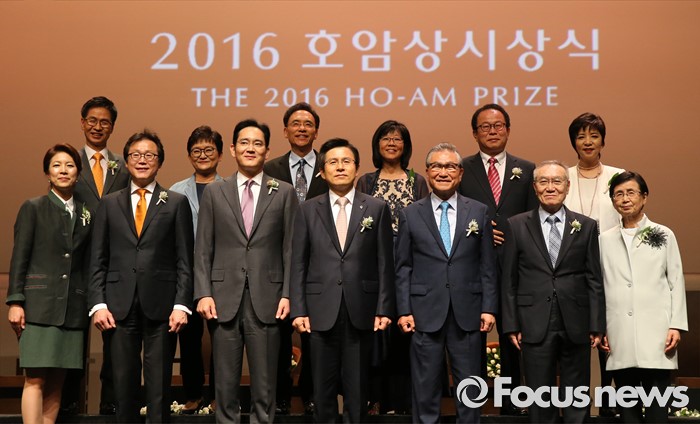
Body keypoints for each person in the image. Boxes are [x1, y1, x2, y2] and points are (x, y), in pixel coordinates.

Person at [194, 119, 298, 423]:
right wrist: (203, 292)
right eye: (244, 142)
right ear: (232, 149)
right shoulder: (215, 191)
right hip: (222, 298)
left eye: (257, 143)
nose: (250, 148)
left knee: (265, 387)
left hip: (268, 298)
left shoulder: (284, 192)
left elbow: (290, 249)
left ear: (267, 150)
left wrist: (288, 294)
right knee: (225, 386)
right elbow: (203, 248)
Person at [88, 130, 194, 423]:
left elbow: (184, 260)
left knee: (159, 387)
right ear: (126, 161)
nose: (142, 160)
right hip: (117, 307)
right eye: (135, 155)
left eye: (149, 155)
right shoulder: (109, 203)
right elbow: (98, 258)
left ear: (159, 161)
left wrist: (181, 305)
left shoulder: (175, 202)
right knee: (123, 386)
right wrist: (98, 304)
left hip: (163, 308)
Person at [290, 138, 395, 423]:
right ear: (322, 172)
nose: (340, 167)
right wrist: (298, 309)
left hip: (361, 309)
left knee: (357, 389)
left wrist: (384, 308)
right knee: (322, 390)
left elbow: (385, 263)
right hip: (319, 309)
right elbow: (298, 263)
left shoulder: (376, 208)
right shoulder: (307, 209)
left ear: (356, 169)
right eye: (333, 162)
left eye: (346, 161)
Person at [395, 143, 498, 423]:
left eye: (450, 166)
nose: (443, 172)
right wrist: (404, 310)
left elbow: (487, 265)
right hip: (423, 312)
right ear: (427, 172)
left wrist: (489, 308)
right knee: (425, 388)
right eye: (437, 166)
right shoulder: (410, 213)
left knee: (469, 388)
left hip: (468, 311)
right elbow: (403, 267)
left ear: (460, 173)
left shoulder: (478, 211)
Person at [502, 160, 605, 423]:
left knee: (576, 394)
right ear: (535, 187)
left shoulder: (586, 225)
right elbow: (509, 280)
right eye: (544, 181)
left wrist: (596, 324)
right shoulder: (516, 225)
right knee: (539, 395)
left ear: (567, 186)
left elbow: (594, 278)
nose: (550, 187)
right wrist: (512, 324)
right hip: (533, 320)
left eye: (557, 181)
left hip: (576, 320)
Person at [458, 103, 537, 416]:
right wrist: (477, 229)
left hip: (515, 269)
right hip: (472, 267)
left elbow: (533, 219)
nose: (492, 131)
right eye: (485, 127)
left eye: (498, 125)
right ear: (474, 133)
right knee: (473, 340)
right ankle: (473, 404)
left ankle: (511, 404)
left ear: (508, 129)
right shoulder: (461, 168)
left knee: (511, 337)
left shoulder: (527, 169)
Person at [7, 143, 91, 424]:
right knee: (36, 378)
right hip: (39, 307)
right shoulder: (33, 207)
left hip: (73, 307)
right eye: (56, 165)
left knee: (58, 380)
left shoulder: (85, 212)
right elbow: (20, 257)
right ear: (47, 172)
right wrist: (15, 301)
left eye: (69, 165)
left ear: (78, 173)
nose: (63, 170)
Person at [599, 171, 687, 423]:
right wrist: (602, 327)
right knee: (628, 409)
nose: (625, 199)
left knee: (657, 407)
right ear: (613, 200)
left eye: (631, 193)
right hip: (619, 331)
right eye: (618, 194)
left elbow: (676, 281)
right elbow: (600, 286)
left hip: (658, 333)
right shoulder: (604, 240)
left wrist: (676, 325)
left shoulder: (664, 234)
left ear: (644, 197)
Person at [356, 120, 428, 415]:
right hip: (373, 265)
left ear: (405, 146)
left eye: (398, 139)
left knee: (405, 331)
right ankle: (374, 399)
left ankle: (403, 402)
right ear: (377, 144)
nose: (391, 143)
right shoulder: (366, 181)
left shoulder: (417, 181)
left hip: (409, 263)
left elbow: (425, 224)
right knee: (375, 334)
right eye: (386, 138)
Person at [264, 102, 327, 415]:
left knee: (315, 332)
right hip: (277, 261)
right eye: (296, 124)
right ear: (285, 130)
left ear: (316, 131)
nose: (302, 128)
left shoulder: (331, 165)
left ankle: (312, 394)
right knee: (277, 333)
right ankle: (280, 396)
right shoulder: (270, 168)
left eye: (308, 124)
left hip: (319, 262)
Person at [563, 112, 624, 417]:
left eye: (594, 136)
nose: (587, 142)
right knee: (576, 339)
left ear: (603, 141)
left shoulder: (619, 177)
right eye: (581, 136)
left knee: (610, 338)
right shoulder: (561, 177)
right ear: (573, 142)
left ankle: (611, 406)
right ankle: (578, 408)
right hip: (572, 273)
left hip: (611, 269)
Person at [72, 96, 130, 416]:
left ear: (112, 127)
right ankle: (71, 404)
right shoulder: (70, 162)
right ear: (82, 123)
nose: (97, 127)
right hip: (77, 263)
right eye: (92, 121)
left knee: (115, 340)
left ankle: (110, 404)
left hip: (114, 264)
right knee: (74, 338)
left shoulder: (123, 165)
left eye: (104, 122)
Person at [170, 125, 224, 413]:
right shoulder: (176, 191)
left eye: (209, 150)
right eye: (196, 150)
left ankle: (217, 395)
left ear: (220, 154)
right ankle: (192, 393)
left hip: (222, 274)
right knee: (189, 338)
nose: (203, 155)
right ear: (189, 155)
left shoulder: (231, 188)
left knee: (222, 337)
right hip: (187, 273)